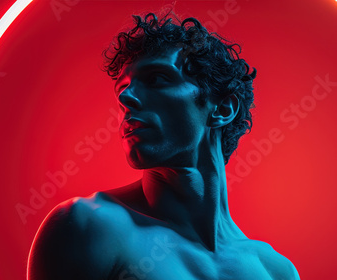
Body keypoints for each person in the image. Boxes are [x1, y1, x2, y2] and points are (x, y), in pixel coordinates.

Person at [27, 9, 300, 280]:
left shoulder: (276, 271)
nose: (126, 98)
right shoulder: (86, 227)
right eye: (122, 88)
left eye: (157, 79)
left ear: (223, 108)